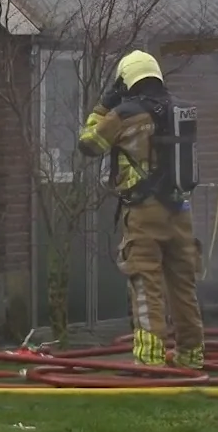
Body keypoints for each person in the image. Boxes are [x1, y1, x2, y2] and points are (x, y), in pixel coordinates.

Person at [76, 50, 205, 370]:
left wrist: (103, 105)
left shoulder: (124, 115)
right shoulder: (181, 110)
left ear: (127, 81)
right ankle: (192, 355)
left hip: (145, 213)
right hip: (181, 210)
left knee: (145, 281)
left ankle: (150, 358)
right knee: (183, 285)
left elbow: (88, 144)